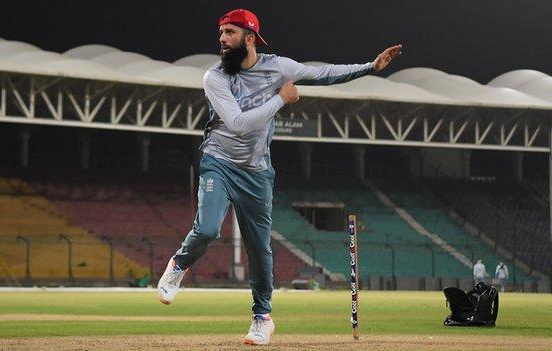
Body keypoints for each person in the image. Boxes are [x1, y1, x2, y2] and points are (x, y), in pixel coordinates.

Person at [156, 8, 402, 345]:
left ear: (250, 38)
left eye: (229, 32)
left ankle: (262, 318)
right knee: (209, 227)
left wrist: (370, 67)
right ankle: (178, 265)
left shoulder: (278, 67)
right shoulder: (214, 77)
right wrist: (280, 100)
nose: (222, 39)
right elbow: (239, 124)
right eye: (221, 33)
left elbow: (324, 73)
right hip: (219, 161)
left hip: (256, 173)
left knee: (259, 250)